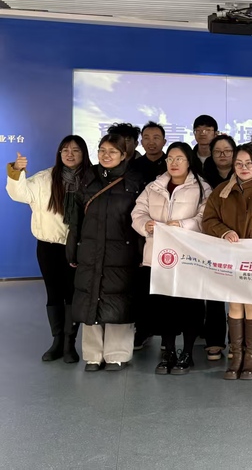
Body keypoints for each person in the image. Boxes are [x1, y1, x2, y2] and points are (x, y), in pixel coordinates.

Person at [6, 136, 91, 363]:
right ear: (59, 153)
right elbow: (19, 194)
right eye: (65, 150)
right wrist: (17, 171)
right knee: (54, 293)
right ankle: (57, 341)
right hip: (49, 246)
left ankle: (70, 344)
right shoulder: (45, 178)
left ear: (84, 154)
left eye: (75, 150)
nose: (69, 154)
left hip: (79, 247)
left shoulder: (92, 179)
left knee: (73, 294)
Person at [203, 144, 252, 380]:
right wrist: (224, 232)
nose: (244, 168)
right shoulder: (221, 191)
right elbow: (208, 220)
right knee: (235, 305)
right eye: (239, 164)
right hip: (229, 259)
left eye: (249, 163)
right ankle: (236, 357)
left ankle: (251, 358)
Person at [66, 134, 145, 371]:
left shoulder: (135, 181)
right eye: (102, 150)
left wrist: (141, 254)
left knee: (119, 300)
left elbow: (140, 222)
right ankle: (92, 355)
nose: (106, 155)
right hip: (90, 251)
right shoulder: (87, 179)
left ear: (124, 155)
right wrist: (72, 250)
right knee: (90, 298)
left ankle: (117, 354)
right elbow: (75, 221)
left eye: (112, 151)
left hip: (122, 253)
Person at [131, 142, 212, 375]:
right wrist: (145, 224)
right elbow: (137, 212)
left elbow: (206, 217)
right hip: (159, 255)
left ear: (189, 161)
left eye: (179, 158)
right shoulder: (154, 186)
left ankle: (187, 352)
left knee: (189, 306)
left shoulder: (202, 187)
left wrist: (184, 225)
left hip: (189, 257)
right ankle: (168, 351)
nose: (174, 163)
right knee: (163, 306)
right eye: (170, 159)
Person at [129, 121, 168, 350]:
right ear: (141, 142)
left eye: (156, 138)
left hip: (170, 237)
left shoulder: (171, 164)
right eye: (147, 138)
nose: (151, 142)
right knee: (142, 287)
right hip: (142, 235)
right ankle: (142, 330)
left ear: (164, 141)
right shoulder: (134, 167)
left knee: (165, 289)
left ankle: (166, 334)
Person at [199, 134, 236, 360]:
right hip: (211, 238)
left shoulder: (244, 174)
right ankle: (214, 340)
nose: (222, 155)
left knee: (237, 292)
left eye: (227, 151)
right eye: (217, 152)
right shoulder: (202, 179)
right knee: (212, 292)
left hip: (238, 241)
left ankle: (236, 341)